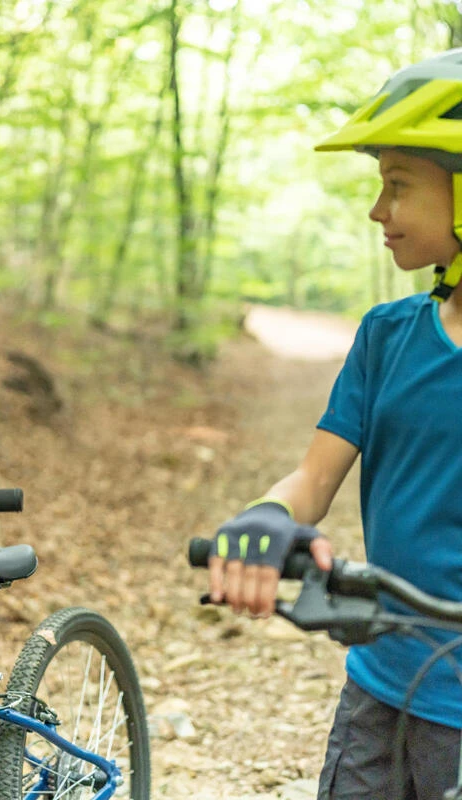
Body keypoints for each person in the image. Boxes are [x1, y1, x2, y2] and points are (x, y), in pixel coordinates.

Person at [207, 50, 462, 800]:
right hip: (379, 689)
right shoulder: (388, 334)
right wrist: (264, 517)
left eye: (399, 187)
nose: (378, 212)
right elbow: (315, 478)